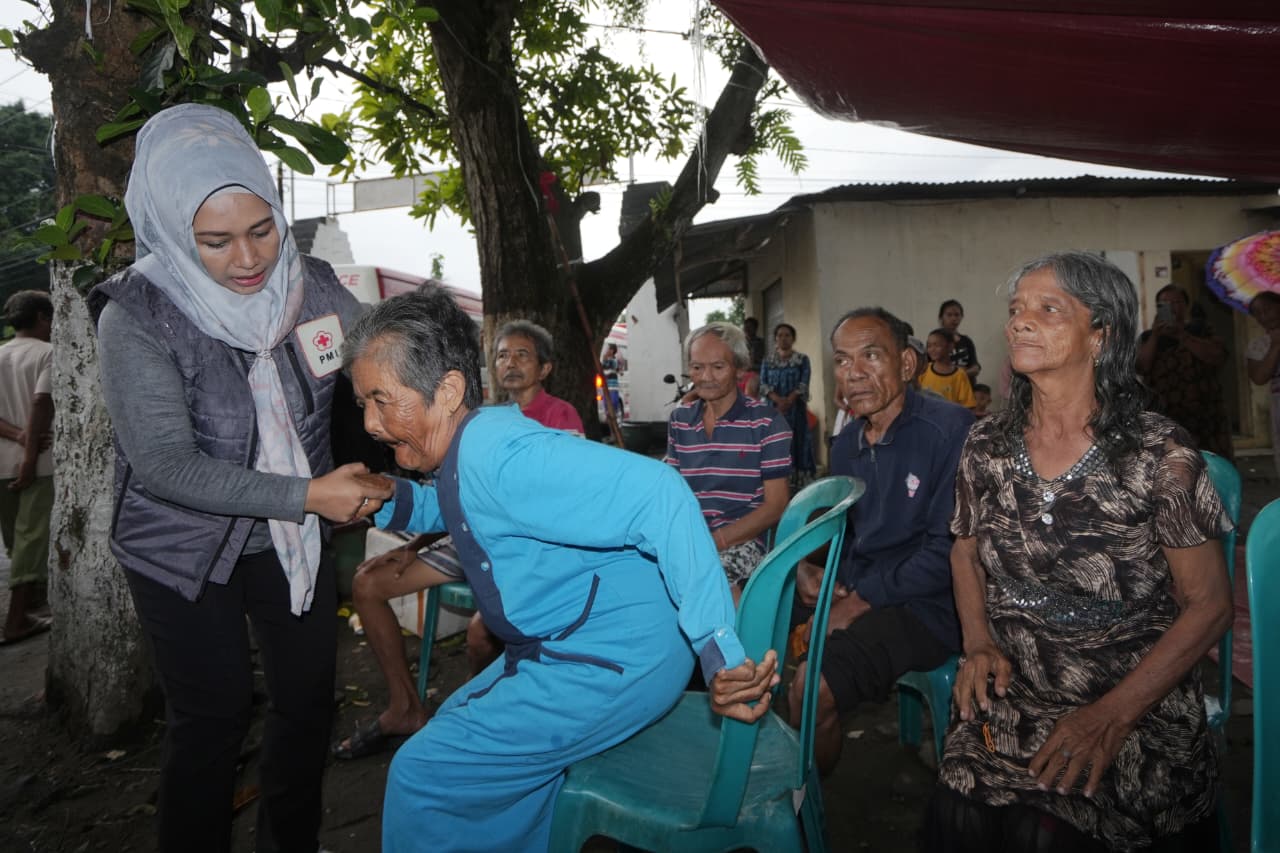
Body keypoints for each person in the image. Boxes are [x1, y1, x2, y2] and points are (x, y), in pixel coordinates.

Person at [344, 286, 777, 852]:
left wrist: (720, 651)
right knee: (454, 727)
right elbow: (459, 501)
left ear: (447, 391)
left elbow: (662, 493)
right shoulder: (476, 443)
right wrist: (385, 496)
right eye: (363, 405)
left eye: (381, 399)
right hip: (593, 643)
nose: (371, 423)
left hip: (611, 659)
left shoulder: (500, 457)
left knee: (423, 774)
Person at [89, 104, 393, 853]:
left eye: (263, 229)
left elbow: (380, 373)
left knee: (307, 702)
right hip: (181, 545)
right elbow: (163, 466)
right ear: (170, 230)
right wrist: (308, 494)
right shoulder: (137, 316)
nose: (249, 259)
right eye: (215, 241)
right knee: (213, 714)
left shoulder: (316, 291)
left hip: (291, 541)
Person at [926, 251, 1233, 852]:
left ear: (1101, 335)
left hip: (1132, 702)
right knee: (957, 813)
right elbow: (964, 552)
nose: (1019, 322)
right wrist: (978, 642)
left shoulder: (1158, 455)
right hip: (1016, 695)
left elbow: (1209, 606)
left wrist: (1112, 716)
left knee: (1042, 833)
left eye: (1048, 309)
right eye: (1016, 310)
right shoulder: (986, 443)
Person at [333, 319, 587, 760]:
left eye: (522, 354)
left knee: (480, 634)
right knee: (368, 582)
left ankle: (487, 715)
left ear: (545, 369)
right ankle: (405, 706)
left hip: (514, 541)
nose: (510, 362)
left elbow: (552, 506)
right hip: (464, 532)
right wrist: (412, 544)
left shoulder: (559, 418)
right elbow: (451, 496)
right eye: (503, 354)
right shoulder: (478, 417)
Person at [788, 307, 973, 775]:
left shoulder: (952, 431)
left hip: (929, 605)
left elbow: (948, 552)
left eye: (871, 355)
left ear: (907, 365)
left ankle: (802, 812)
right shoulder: (848, 442)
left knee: (813, 689)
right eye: (843, 360)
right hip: (862, 587)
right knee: (746, 620)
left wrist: (860, 601)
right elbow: (846, 533)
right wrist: (809, 568)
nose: (855, 374)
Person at [665, 322, 791, 598]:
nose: (706, 376)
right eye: (697, 367)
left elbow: (776, 505)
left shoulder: (767, 422)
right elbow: (671, 490)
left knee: (710, 583)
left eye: (718, 367)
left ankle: (738, 641)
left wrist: (715, 542)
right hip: (692, 540)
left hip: (746, 542)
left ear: (739, 368)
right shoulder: (681, 421)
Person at [0, 291, 53, 645]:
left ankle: (32, 604)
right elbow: (41, 402)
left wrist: (17, 436)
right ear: (42, 318)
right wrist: (30, 454)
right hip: (36, 465)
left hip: (2, 463)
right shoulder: (48, 353)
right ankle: (16, 620)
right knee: (31, 538)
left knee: (14, 541)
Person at [1136, 284, 1234, 460]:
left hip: (1205, 416)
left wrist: (1182, 335)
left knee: (1212, 468)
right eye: (1164, 303)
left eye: (1176, 302)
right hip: (1165, 416)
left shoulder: (1202, 330)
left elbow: (1217, 357)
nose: (1171, 307)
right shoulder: (1148, 337)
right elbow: (1142, 367)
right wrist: (1156, 336)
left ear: (1186, 306)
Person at [759, 322, 816, 489]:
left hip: (796, 410)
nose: (783, 339)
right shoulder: (768, 361)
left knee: (798, 442)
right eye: (779, 336)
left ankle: (799, 483)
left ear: (793, 338)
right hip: (774, 411)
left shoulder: (801, 360)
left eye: (787, 335)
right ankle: (777, 482)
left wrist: (789, 400)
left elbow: (804, 383)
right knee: (776, 443)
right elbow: (763, 384)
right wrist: (777, 400)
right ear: (775, 339)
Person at [1246, 291, 1280, 477]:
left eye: (1267, 309)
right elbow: (1259, 377)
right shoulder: (1258, 345)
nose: (1263, 316)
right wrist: (1275, 346)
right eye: (1257, 313)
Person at [920, 328, 977, 408]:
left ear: (950, 346)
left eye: (937, 345)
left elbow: (968, 405)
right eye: (929, 346)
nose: (932, 349)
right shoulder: (923, 370)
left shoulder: (960, 375)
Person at [940, 299, 981, 381]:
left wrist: (959, 374)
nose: (953, 318)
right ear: (941, 317)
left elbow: (975, 367)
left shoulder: (967, 341)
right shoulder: (935, 341)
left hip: (965, 387)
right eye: (949, 315)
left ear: (961, 317)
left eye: (957, 315)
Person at [601, 341, 624, 418]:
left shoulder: (614, 360)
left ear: (612, 351)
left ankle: (614, 413)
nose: (607, 351)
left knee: (613, 401)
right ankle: (608, 413)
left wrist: (605, 359)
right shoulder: (606, 360)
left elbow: (611, 367)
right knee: (606, 401)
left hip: (613, 385)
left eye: (609, 349)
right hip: (606, 385)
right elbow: (604, 368)